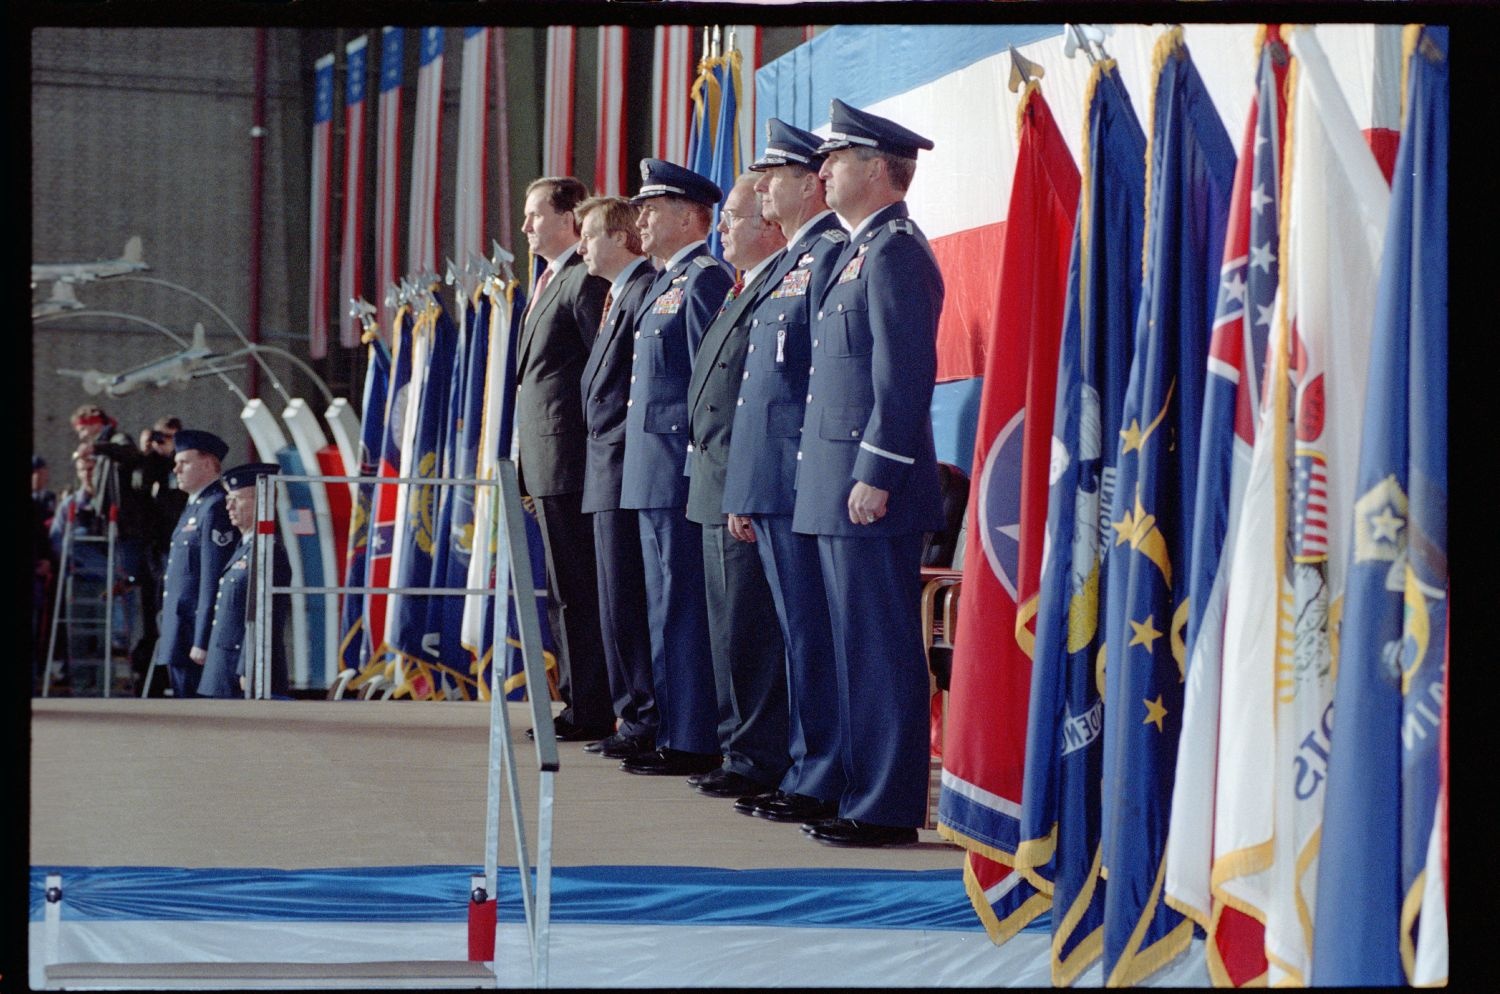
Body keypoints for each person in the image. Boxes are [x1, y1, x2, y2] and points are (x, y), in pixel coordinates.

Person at [792, 99, 945, 848]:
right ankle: (856, 789)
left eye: (838, 159)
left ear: (880, 170)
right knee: (847, 647)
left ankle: (885, 806)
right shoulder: (854, 251)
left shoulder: (896, 251)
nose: (822, 170)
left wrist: (877, 470)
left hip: (871, 486)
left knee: (880, 650)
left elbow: (905, 373)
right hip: (834, 482)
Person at [724, 119, 851, 826]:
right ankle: (807, 767)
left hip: (800, 477)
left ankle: (819, 772)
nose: (765, 187)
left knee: (810, 638)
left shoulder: (829, 254)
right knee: (794, 636)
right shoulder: (795, 262)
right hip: (770, 479)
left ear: (808, 185)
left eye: (774, 176)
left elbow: (817, 384)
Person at [616, 158, 733, 778]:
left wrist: (695, 461)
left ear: (691, 217)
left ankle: (691, 735)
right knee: (663, 605)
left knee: (683, 606)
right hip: (649, 465)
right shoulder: (665, 281)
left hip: (677, 466)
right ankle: (671, 725)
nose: (641, 217)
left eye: (652, 208)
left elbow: (706, 382)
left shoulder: (705, 279)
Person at [682, 172, 791, 799]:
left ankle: (755, 754)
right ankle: (738, 747)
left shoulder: (776, 280)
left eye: (732, 220)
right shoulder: (742, 286)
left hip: (747, 477)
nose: (721, 230)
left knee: (749, 630)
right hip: (718, 473)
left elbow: (761, 398)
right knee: (726, 627)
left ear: (768, 226)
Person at [516, 176, 615, 743]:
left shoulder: (582, 281)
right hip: (547, 464)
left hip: (575, 461)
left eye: (534, 215)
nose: (527, 226)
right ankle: (578, 699)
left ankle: (591, 706)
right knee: (561, 591)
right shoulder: (548, 279)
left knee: (579, 590)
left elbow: (599, 376)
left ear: (569, 218)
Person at [575, 195, 661, 760]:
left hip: (629, 463)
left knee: (630, 599)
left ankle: (645, 718)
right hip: (606, 464)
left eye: (589, 234)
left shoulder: (644, 289)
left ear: (621, 237)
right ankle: (633, 714)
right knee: (614, 601)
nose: (582, 245)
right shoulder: (617, 295)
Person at [151, 429, 237, 699]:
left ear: (209, 464)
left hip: (192, 635)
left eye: (184, 462)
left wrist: (202, 639)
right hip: (180, 632)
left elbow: (213, 578)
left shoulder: (215, 507)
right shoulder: (194, 507)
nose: (176, 468)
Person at [200, 462, 290, 699]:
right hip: (223, 669)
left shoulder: (268, 552)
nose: (228, 505)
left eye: (237, 499)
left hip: (241, 673)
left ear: (262, 501)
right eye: (228, 498)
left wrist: (248, 667)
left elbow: (265, 617)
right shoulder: (245, 547)